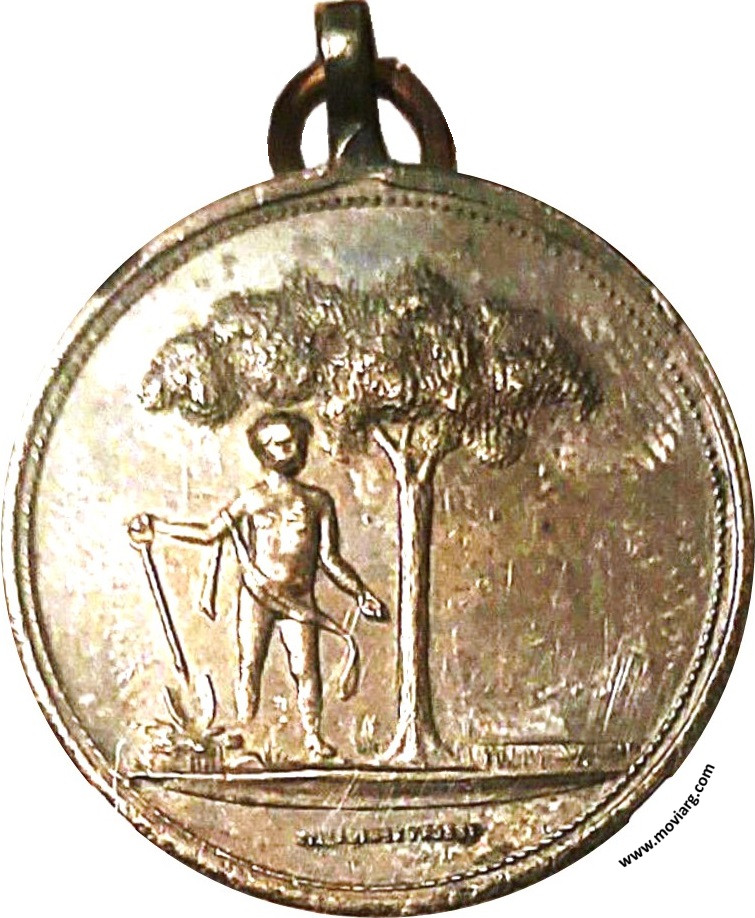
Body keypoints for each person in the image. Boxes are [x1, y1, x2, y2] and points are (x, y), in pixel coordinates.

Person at [128, 411, 387, 762]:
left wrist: (360, 593)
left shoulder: (317, 501)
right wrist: (159, 527)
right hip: (257, 595)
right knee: (250, 664)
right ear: (263, 451)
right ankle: (246, 728)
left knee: (305, 669)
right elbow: (209, 533)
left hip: (298, 599)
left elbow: (330, 558)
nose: (290, 449)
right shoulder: (251, 500)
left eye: (294, 442)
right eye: (279, 444)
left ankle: (313, 738)